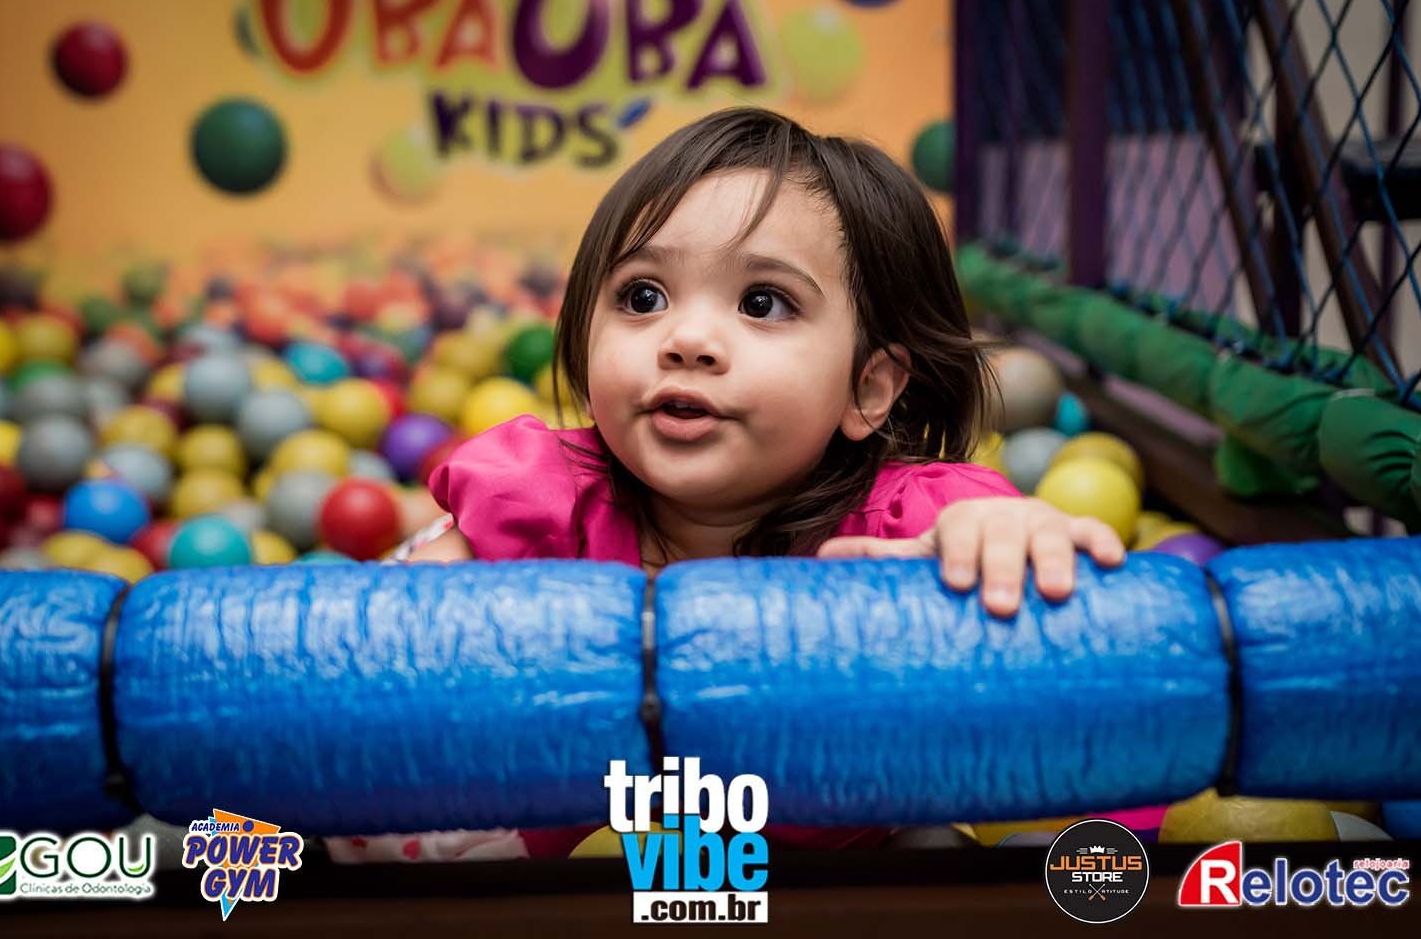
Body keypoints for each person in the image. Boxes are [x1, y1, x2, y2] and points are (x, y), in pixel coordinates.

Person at [328, 107, 1126, 865]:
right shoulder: (541, 499)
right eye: (643, 297)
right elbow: (384, 653)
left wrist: (1007, 546)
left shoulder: (907, 528)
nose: (688, 340)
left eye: (762, 303)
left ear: (867, 388)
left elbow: (1026, 576)